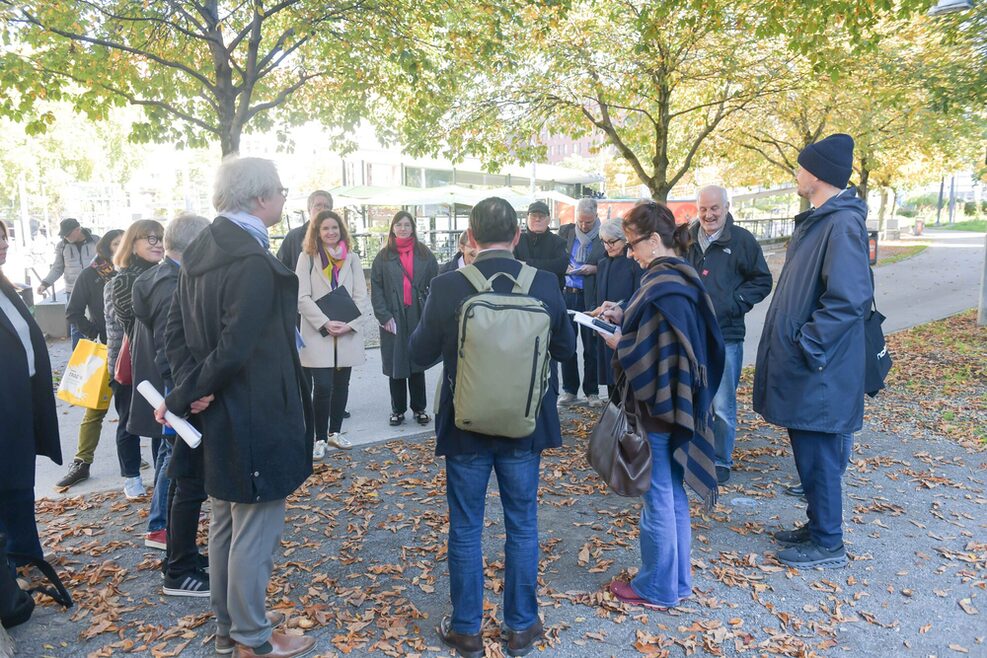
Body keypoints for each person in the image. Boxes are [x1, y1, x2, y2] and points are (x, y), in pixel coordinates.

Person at [159, 156, 315, 658]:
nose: (285, 198)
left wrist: (191, 388)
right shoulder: (248, 257)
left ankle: (234, 630)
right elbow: (237, 345)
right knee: (253, 531)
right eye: (281, 191)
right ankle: (250, 640)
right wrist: (189, 391)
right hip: (254, 412)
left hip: (223, 409)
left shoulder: (202, 247)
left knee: (228, 522)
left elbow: (176, 333)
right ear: (260, 198)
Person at [409, 197, 575, 658]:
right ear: (518, 235)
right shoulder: (542, 283)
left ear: (471, 237)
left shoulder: (448, 286)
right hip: (526, 425)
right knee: (522, 524)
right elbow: (564, 349)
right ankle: (520, 626)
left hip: (466, 425)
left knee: (466, 526)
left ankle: (466, 629)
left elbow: (417, 355)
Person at [599, 201, 724, 610]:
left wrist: (621, 343)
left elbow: (655, 351)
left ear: (654, 240)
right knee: (672, 495)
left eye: (633, 243)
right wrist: (623, 314)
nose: (630, 251)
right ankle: (678, 581)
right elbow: (663, 335)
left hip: (659, 406)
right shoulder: (679, 277)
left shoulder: (661, 283)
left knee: (658, 498)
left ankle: (656, 587)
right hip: (679, 404)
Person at [754, 134, 870, 569]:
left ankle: (828, 541)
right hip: (813, 367)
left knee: (819, 457)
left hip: (819, 369)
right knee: (809, 453)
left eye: (801, 167)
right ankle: (818, 525)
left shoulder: (841, 223)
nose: (796, 174)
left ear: (817, 173)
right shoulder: (823, 219)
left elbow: (849, 298)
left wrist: (808, 345)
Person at [130, 214, 212, 594]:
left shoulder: (159, 278)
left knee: (184, 476)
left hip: (178, 395)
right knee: (188, 480)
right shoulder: (171, 282)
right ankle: (178, 567)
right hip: (183, 398)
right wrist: (190, 393)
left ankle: (183, 555)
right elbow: (172, 348)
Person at [686, 186, 772, 484]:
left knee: (722, 404)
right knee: (695, 398)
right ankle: (697, 454)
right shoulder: (686, 238)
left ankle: (721, 459)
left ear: (726, 207)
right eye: (703, 209)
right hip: (691, 334)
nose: (709, 215)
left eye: (715, 208)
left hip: (726, 335)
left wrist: (737, 302)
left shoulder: (743, 241)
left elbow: (762, 280)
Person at [0, 220, 61, 564]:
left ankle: (25, 553)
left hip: (20, 398)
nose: (4, 244)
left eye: (5, 237)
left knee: (19, 484)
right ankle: (12, 561)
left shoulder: (6, 285)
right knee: (8, 484)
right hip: (4, 404)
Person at [56, 229, 125, 490]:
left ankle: (131, 458)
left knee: (132, 408)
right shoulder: (92, 274)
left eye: (124, 244)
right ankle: (82, 462)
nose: (120, 249)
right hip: (107, 350)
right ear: (106, 247)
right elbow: (73, 312)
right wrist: (95, 332)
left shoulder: (137, 271)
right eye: (115, 244)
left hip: (137, 351)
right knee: (94, 410)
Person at [296, 210, 367, 458]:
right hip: (319, 333)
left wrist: (350, 324)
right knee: (323, 386)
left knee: (341, 385)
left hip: (346, 332)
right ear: (317, 232)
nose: (330, 232)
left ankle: (335, 432)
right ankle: (318, 437)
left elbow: (361, 296)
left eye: (334, 228)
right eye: (325, 228)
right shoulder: (307, 258)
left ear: (341, 230)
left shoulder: (353, 259)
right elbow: (301, 297)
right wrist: (325, 322)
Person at [107, 219, 164, 501]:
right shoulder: (123, 280)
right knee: (129, 423)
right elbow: (135, 323)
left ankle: (161, 476)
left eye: (161, 238)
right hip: (131, 363)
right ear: (133, 244)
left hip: (158, 363)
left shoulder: (165, 274)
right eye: (149, 239)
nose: (158, 244)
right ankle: (131, 476)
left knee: (160, 423)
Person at [370, 211, 438, 427]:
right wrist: (383, 316)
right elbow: (377, 288)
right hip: (393, 316)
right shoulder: (383, 257)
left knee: (416, 362)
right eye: (398, 224)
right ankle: (397, 410)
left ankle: (419, 408)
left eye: (407, 225)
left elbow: (435, 284)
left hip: (418, 313)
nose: (402, 228)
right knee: (396, 364)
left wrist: (430, 312)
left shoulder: (425, 254)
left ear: (413, 228)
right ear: (392, 228)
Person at [558, 198, 606, 407]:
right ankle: (569, 389)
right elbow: (557, 257)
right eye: (581, 221)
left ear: (596, 216)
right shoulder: (566, 232)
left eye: (588, 222)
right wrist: (563, 267)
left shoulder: (604, 236)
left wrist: (594, 269)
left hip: (590, 295)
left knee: (591, 346)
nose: (584, 226)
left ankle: (592, 391)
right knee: (568, 344)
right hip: (568, 291)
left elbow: (611, 261)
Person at [590, 220, 641, 397]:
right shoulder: (603, 263)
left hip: (626, 328)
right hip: (606, 328)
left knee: (625, 383)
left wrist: (624, 311)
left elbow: (639, 296)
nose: (608, 246)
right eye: (604, 241)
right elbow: (599, 294)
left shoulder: (635, 263)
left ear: (625, 239)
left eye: (612, 242)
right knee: (611, 382)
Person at [38, 218, 100, 348]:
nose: (65, 237)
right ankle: (77, 362)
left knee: (100, 320)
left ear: (78, 229)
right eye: (63, 234)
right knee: (76, 324)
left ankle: (101, 353)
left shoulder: (96, 241)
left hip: (96, 288)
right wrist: (45, 283)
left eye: (68, 234)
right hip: (72, 290)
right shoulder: (62, 246)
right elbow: (57, 268)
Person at [276, 190, 333, 273]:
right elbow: (280, 267)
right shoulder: (293, 236)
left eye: (326, 206)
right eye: (318, 205)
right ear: (309, 209)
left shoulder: (337, 237)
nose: (322, 209)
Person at [513, 201, 568, 285]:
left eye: (541, 216)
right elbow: (512, 265)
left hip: (549, 293)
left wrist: (526, 264)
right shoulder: (517, 240)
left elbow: (560, 266)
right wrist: (546, 265)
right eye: (533, 215)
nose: (537, 219)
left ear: (549, 219)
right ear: (527, 218)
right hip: (521, 293)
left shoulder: (558, 242)